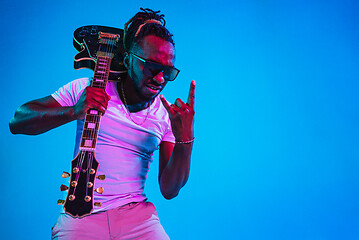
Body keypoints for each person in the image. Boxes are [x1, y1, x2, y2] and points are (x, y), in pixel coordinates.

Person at [9, 8, 195, 240]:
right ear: (128, 60)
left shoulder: (166, 115)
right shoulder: (88, 89)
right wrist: (73, 111)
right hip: (80, 216)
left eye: (167, 72)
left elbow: (169, 190)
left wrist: (185, 140)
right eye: (152, 67)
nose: (159, 79)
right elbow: (17, 121)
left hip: (137, 218)